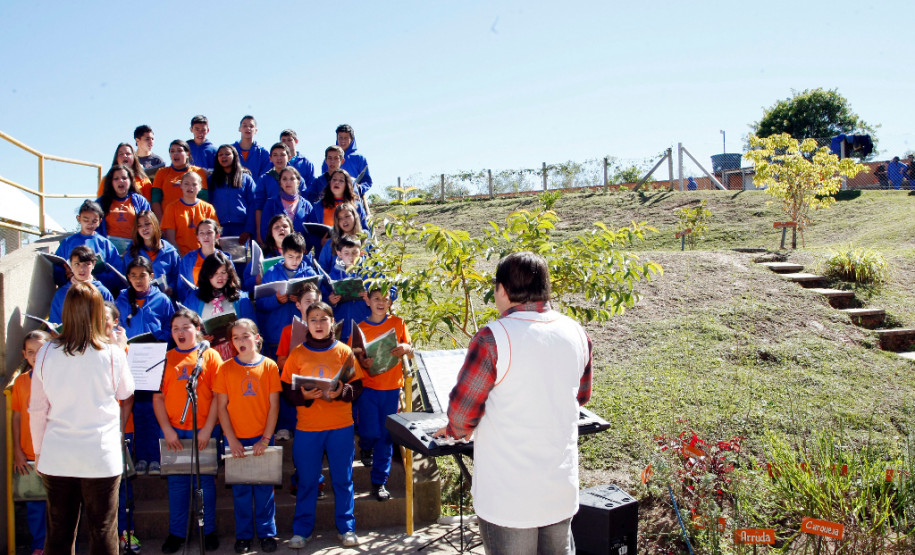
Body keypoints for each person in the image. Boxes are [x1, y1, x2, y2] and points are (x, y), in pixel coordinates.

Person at [435, 251, 593, 555]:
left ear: (502, 290)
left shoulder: (493, 338)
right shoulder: (577, 333)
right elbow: (581, 395)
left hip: (508, 497)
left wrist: (455, 430)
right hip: (559, 487)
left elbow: (462, 414)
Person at [29, 282, 135, 555]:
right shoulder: (111, 353)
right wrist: (121, 348)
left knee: (59, 532)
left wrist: (39, 451)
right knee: (102, 531)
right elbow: (125, 391)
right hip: (99, 456)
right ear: (98, 312)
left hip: (57, 453)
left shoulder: (44, 352)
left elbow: (38, 409)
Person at [280, 302, 364, 548]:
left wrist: (342, 391)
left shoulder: (343, 351)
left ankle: (346, 528)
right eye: (313, 319)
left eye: (323, 319)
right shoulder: (297, 353)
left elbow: (357, 386)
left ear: (332, 323)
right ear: (306, 323)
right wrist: (303, 397)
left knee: (343, 479)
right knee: (307, 481)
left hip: (340, 425)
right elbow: (287, 389)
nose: (318, 324)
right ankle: (301, 531)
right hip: (308, 428)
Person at [153, 310, 222, 553]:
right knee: (178, 485)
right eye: (175, 329)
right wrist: (167, 431)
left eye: (186, 327)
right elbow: (158, 398)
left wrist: (207, 429)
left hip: (203, 431)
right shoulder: (165, 358)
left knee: (205, 484)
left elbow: (217, 397)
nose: (181, 333)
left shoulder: (210, 356)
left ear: (197, 329)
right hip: (174, 433)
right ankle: (177, 533)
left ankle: (209, 530)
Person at [214, 319, 282, 554]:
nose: (240, 342)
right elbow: (222, 407)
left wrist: (265, 438)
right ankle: (243, 535)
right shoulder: (225, 368)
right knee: (241, 490)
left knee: (264, 489)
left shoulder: (270, 366)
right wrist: (230, 438)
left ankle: (267, 533)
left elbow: (273, 406)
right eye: (235, 338)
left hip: (262, 437)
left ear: (257, 337)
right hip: (236, 438)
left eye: (245, 336)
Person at [354, 287, 412, 501]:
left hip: (391, 387)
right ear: (367, 300)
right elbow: (355, 359)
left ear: (390, 302)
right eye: (376, 298)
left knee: (386, 436)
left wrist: (405, 348)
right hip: (368, 387)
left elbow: (409, 345)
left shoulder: (397, 323)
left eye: (385, 299)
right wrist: (363, 362)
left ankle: (380, 481)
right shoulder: (360, 328)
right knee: (370, 432)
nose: (381, 302)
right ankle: (365, 446)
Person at [103, 302, 141, 554]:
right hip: (97, 429)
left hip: (121, 428)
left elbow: (128, 396)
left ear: (115, 322)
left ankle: (127, 533)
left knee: (123, 487)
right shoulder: (89, 349)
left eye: (104, 318)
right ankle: (108, 537)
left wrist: (118, 426)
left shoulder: (124, 349)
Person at [12, 330, 51, 555]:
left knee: (58, 503)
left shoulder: (59, 379)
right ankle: (39, 545)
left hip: (55, 452)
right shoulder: (20, 382)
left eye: (41, 350)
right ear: (24, 355)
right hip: (29, 452)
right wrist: (17, 450)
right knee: (35, 504)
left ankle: (57, 544)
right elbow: (17, 416)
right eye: (30, 352)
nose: (36, 356)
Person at [254, 233, 319, 361]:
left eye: (298, 257)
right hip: (276, 332)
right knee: (280, 366)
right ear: (282, 253)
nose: (294, 261)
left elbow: (317, 301)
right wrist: (276, 300)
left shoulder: (309, 273)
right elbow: (260, 303)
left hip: (304, 331)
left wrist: (301, 299)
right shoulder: (272, 272)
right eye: (290, 256)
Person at [184, 252, 257, 360]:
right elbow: (186, 327)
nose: (220, 277)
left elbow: (253, 331)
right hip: (207, 357)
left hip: (237, 355)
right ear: (207, 274)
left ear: (229, 274)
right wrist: (200, 337)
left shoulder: (241, 298)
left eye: (223, 272)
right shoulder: (194, 298)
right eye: (215, 273)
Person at [275, 281, 320, 440]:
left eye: (316, 302)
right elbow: (280, 362)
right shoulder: (288, 331)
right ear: (298, 305)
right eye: (308, 302)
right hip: (295, 383)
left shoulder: (326, 330)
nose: (312, 305)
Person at [53, 199, 125, 292]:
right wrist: (66, 276)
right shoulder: (68, 243)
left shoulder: (105, 244)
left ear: (100, 221)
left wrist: (95, 278)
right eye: (86, 220)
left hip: (97, 292)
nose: (90, 224)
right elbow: (57, 268)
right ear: (79, 219)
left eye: (94, 221)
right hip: (73, 291)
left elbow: (117, 272)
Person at [50, 245, 115, 324]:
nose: (81, 269)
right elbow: (55, 323)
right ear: (70, 264)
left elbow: (111, 322)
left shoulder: (102, 292)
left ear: (94, 264)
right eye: (77, 264)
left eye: (87, 264)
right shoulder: (61, 294)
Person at [123, 210, 180, 298]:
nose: (144, 228)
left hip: (165, 301)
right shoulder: (131, 253)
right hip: (140, 301)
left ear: (155, 224)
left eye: (147, 224)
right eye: (139, 226)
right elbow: (126, 278)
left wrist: (171, 288)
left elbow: (177, 276)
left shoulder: (171, 252)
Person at [325, 234, 371, 343]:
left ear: (361, 252)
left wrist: (370, 297)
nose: (351, 257)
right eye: (346, 253)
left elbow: (384, 293)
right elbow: (324, 301)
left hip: (365, 326)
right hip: (343, 329)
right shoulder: (333, 276)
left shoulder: (369, 273)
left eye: (355, 252)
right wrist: (331, 301)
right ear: (339, 254)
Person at [161, 172, 219, 256]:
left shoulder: (208, 208)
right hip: (181, 256)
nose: (190, 187)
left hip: (204, 257)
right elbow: (170, 238)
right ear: (181, 185)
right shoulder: (171, 208)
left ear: (200, 187)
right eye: (186, 184)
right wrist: (180, 257)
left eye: (194, 184)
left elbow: (214, 235)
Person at [150, 140, 210, 221]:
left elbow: (203, 199)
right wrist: (162, 222)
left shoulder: (198, 172)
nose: (175, 154)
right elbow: (155, 200)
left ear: (187, 153)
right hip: (168, 221)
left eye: (179, 150)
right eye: (172, 151)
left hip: (192, 222)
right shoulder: (161, 172)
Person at [97, 164, 152, 253]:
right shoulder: (101, 202)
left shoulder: (140, 201)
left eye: (124, 178)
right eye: (116, 179)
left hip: (134, 250)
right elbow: (95, 228)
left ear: (130, 180)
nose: (120, 181)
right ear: (111, 182)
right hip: (108, 251)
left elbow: (150, 225)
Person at [208, 144, 257, 242]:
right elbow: (208, 204)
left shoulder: (246, 178)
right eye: (220, 155)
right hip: (220, 228)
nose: (223, 157)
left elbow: (253, 205)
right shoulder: (212, 180)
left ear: (234, 156)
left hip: (241, 227)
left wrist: (248, 230)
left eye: (227, 154)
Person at [259, 166, 314, 247]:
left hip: (301, 253)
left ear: (298, 182)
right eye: (284, 179)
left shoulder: (307, 206)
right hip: (277, 253)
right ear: (280, 183)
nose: (288, 182)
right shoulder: (271, 203)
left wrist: (305, 248)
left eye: (292, 179)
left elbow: (312, 232)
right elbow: (264, 229)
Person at [176, 219, 227, 303]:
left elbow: (232, 284)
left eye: (209, 232)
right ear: (197, 237)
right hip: (196, 303)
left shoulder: (225, 259)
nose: (205, 236)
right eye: (201, 233)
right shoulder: (188, 259)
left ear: (217, 235)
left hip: (221, 303)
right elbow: (181, 288)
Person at [321, 124, 372, 196]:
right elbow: (324, 180)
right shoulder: (329, 159)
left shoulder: (359, 158)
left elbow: (367, 181)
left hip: (354, 198)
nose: (343, 141)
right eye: (340, 138)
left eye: (346, 138)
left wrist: (359, 188)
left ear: (352, 139)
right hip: (333, 198)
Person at [317, 202, 364, 273]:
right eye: (340, 218)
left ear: (354, 216)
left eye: (347, 216)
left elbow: (377, 265)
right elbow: (322, 270)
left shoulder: (366, 239)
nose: (344, 221)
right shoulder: (331, 244)